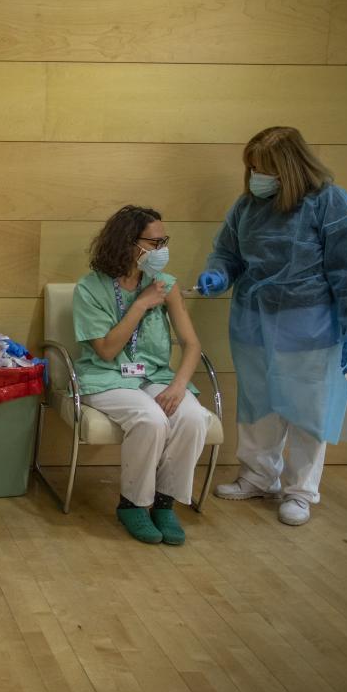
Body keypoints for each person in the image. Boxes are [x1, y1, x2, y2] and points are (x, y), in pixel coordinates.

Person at [198, 126, 347, 526]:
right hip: (253, 323)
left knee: (307, 412)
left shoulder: (328, 204)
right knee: (258, 404)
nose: (254, 177)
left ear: (289, 168)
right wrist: (218, 274)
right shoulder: (246, 207)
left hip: (310, 326)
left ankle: (300, 492)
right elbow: (227, 252)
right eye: (250, 168)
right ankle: (258, 477)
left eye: (262, 169)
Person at [72, 205, 209, 545]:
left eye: (165, 241)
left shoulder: (165, 284)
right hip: (106, 376)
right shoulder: (89, 289)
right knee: (151, 419)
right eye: (154, 242)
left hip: (155, 376)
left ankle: (165, 504)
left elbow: (192, 345)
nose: (161, 250)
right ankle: (133, 504)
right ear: (128, 242)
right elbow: (105, 350)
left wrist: (179, 386)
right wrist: (141, 304)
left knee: (192, 416)